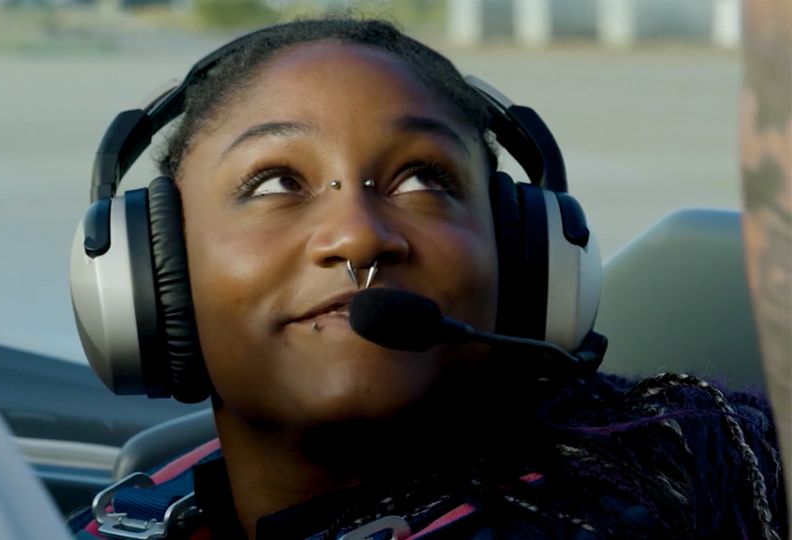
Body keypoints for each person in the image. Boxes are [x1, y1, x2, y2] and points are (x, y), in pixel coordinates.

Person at [67, 17, 786, 540]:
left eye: (423, 179)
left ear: (528, 259)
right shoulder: (126, 518)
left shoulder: (660, 503)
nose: (358, 233)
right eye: (275, 182)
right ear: (149, 270)